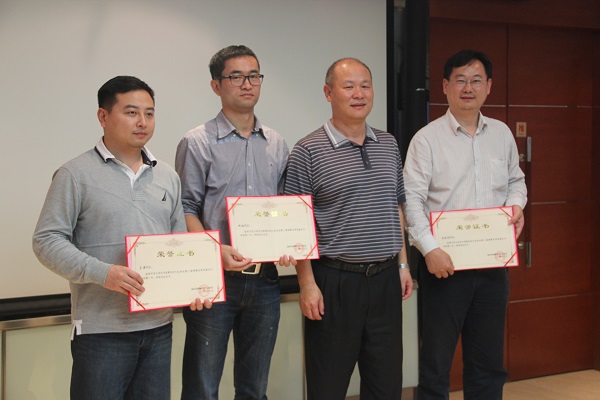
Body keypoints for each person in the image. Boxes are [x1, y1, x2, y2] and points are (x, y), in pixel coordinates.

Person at [32, 75, 210, 400]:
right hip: (101, 331)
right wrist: (105, 273)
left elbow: (178, 243)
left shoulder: (167, 176)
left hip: (158, 328)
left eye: (149, 113)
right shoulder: (74, 174)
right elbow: (47, 241)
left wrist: (194, 286)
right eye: (131, 112)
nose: (142, 122)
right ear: (103, 116)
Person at [284, 58, 413, 400]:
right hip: (334, 283)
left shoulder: (388, 144)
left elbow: (396, 206)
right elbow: (296, 225)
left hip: (385, 281)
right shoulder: (307, 150)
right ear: (328, 93)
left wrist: (403, 264)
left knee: (386, 386)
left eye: (365, 85)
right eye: (349, 86)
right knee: (328, 387)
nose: (359, 94)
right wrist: (306, 284)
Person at [402, 50, 528, 399]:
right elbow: (412, 200)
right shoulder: (426, 139)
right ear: (445, 86)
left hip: (492, 267)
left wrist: (516, 207)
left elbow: (516, 181)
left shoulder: (501, 134)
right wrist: (429, 250)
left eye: (476, 80)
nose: (468, 88)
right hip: (444, 267)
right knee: (435, 365)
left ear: (489, 86)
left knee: (488, 365)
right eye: (460, 80)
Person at [175, 45, 295, 400]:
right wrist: (214, 251)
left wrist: (288, 242)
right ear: (216, 85)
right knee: (202, 387)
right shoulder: (197, 142)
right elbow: (185, 208)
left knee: (254, 387)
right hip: (213, 281)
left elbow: (284, 208)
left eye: (254, 76)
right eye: (236, 76)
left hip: (265, 281)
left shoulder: (276, 143)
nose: (247, 84)